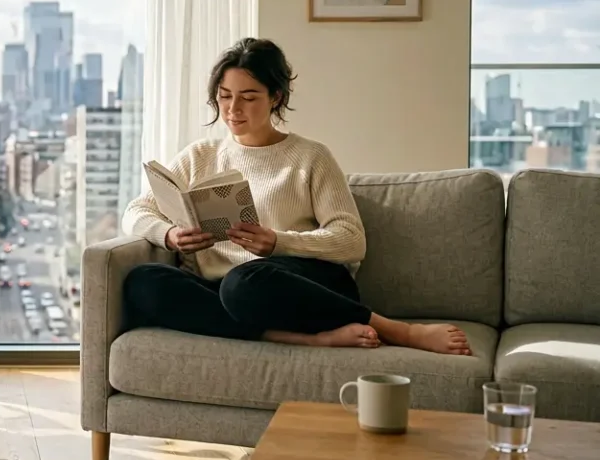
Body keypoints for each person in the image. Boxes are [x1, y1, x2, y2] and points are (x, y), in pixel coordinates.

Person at [120, 38, 471, 355]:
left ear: (277, 97)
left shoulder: (310, 157)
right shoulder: (199, 156)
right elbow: (137, 210)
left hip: (297, 286)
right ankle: (299, 338)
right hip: (225, 292)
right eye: (225, 96)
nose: (232, 109)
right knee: (143, 281)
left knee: (244, 283)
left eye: (248, 97)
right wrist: (169, 235)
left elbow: (352, 241)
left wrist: (278, 242)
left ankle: (400, 331)